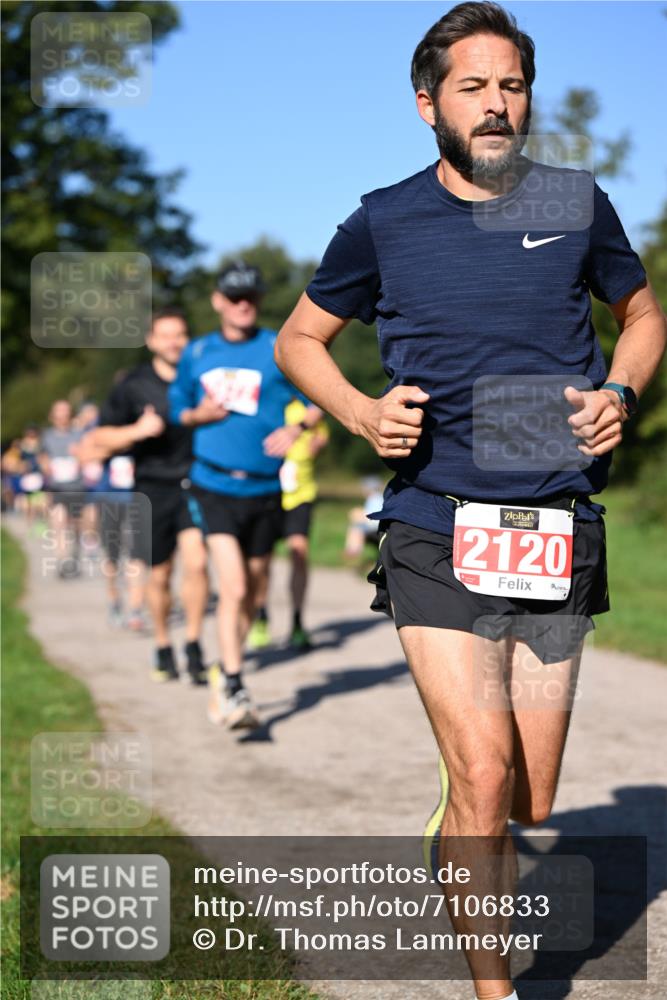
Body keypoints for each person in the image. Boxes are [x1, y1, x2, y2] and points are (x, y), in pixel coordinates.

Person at [274, 4, 666, 998]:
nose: (496, 106)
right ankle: (496, 987)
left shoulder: (578, 202)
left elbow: (642, 314)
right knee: (484, 775)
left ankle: (458, 825)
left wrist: (619, 393)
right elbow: (297, 341)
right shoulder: (384, 219)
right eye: (472, 87)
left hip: (551, 522)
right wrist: (363, 415)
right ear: (426, 104)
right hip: (434, 519)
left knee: (528, 796)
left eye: (511, 85)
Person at [168, 261, 323, 729]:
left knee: (255, 589)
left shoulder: (279, 347)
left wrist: (295, 426)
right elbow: (178, 409)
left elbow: (322, 397)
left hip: (265, 488)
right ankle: (234, 682)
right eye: (233, 296)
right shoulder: (197, 353)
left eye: (250, 297)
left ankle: (223, 667)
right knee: (233, 586)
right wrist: (199, 415)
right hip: (212, 483)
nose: (242, 305)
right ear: (217, 300)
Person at [80, 309, 209, 684]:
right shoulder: (133, 385)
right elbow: (98, 440)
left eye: (180, 335)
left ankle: (194, 644)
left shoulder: (201, 377)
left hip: (196, 482)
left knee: (198, 564)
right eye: (165, 336)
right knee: (159, 574)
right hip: (151, 487)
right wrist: (137, 430)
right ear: (151, 341)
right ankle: (163, 642)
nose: (173, 342)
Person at [279, 397, 329, 650]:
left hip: (301, 493)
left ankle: (297, 620)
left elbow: (322, 434)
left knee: (299, 553)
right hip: (267, 490)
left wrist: (318, 443)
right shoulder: (271, 401)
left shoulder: (307, 405)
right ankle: (260, 614)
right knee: (259, 561)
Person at [39, 400, 85, 578]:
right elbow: (42, 457)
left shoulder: (79, 435)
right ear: (53, 416)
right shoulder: (47, 436)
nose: (62, 415)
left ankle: (74, 557)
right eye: (59, 412)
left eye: (65, 411)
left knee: (75, 528)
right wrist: (46, 466)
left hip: (77, 487)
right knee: (58, 524)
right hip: (56, 487)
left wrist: (79, 456)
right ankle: (62, 562)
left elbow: (88, 455)